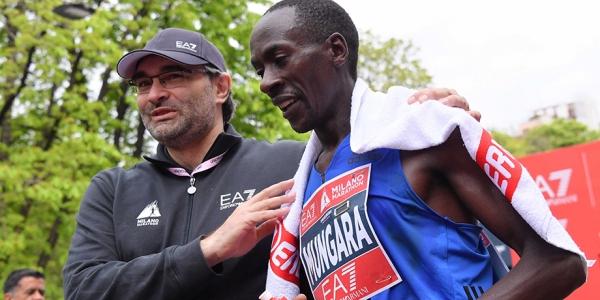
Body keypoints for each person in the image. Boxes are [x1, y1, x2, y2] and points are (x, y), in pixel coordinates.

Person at [61, 27, 476, 300]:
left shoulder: (293, 163)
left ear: (220, 87)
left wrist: (421, 115)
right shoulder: (112, 189)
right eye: (143, 84)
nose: (154, 94)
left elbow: (384, 226)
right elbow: (82, 289)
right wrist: (210, 249)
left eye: (173, 77)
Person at [249, 0, 586, 299]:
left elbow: (558, 262)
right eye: (260, 70)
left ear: (336, 51)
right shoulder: (298, 198)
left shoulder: (423, 134)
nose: (266, 82)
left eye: (279, 59)